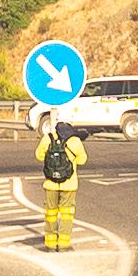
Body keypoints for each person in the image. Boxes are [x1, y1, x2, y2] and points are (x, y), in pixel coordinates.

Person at [35, 102, 91, 251]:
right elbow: (83, 159)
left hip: (50, 184)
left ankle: (50, 244)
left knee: (51, 214)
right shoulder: (75, 140)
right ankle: (64, 244)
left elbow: (39, 156)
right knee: (66, 215)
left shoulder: (48, 138)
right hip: (69, 184)